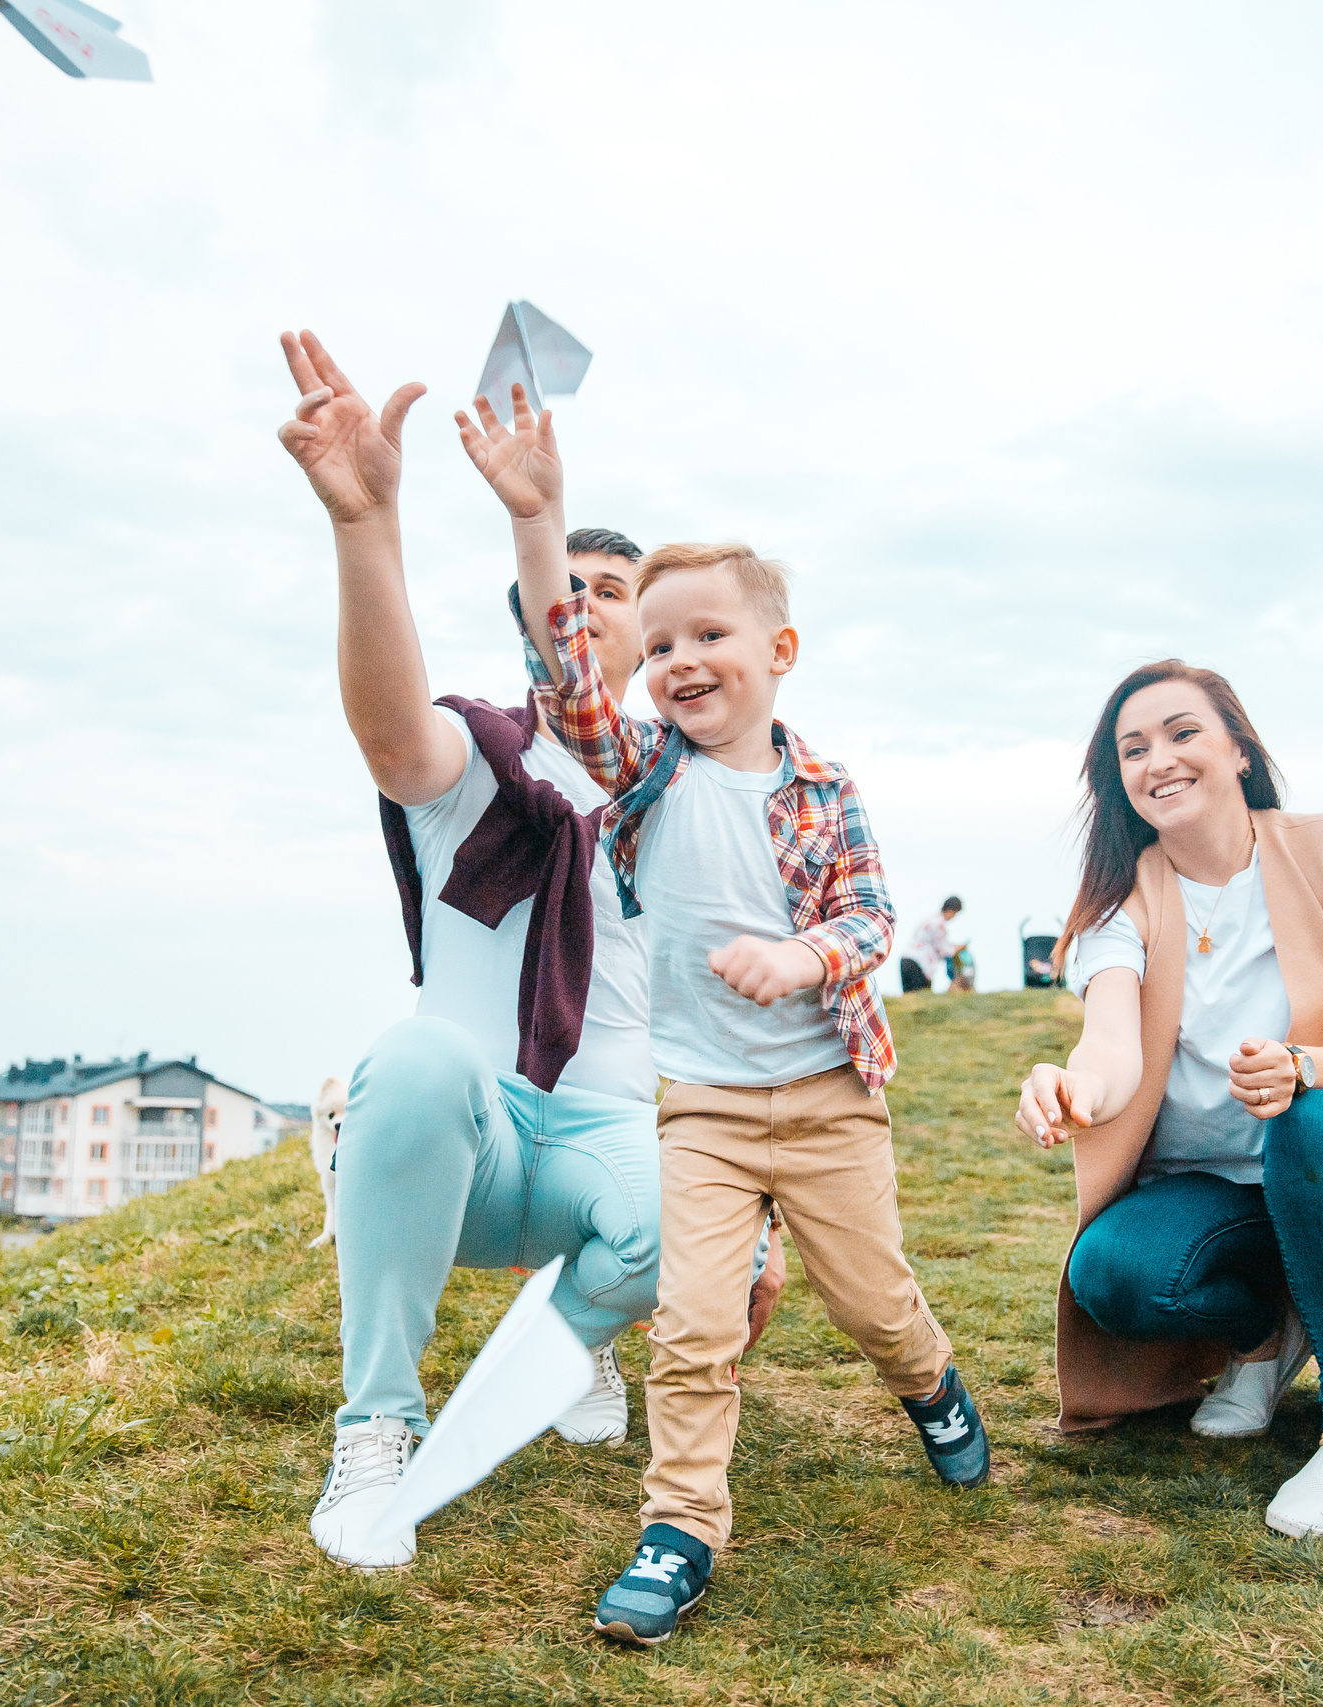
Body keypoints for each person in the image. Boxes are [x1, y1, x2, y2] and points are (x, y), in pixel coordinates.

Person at [468, 386, 991, 1645]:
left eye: (707, 634)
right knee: (697, 1325)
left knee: (871, 1303)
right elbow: (569, 684)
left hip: (825, 1105)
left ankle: (930, 1383)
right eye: (656, 646)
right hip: (700, 1110)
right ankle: (680, 1526)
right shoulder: (646, 768)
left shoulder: (823, 787)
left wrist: (805, 958)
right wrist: (537, 519)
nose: (677, 661)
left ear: (778, 653)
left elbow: (869, 917)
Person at [271, 333, 782, 1573]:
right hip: (472, 1140)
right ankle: (379, 1424)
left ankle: (562, 1345)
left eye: (628, 597)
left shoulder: (694, 804)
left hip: (602, 1139)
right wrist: (366, 525)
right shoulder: (482, 760)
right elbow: (392, 741)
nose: (600, 609)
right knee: (418, 1062)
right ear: (544, 618)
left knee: (695, 1218)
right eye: (581, 590)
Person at [1013, 660, 1323, 1538]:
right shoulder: (1122, 899)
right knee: (1112, 1276)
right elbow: (1112, 1044)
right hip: (1214, 1184)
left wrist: (1303, 1066)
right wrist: (1072, 1085)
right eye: (1133, 748)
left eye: (1182, 732)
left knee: (1306, 1125)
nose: (1158, 758)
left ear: (1237, 749)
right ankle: (1266, 1334)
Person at [902, 896, 961, 993]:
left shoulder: (928, 919)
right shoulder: (939, 924)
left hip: (906, 958)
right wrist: (957, 948)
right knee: (921, 999)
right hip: (920, 964)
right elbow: (946, 950)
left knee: (908, 998)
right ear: (951, 911)